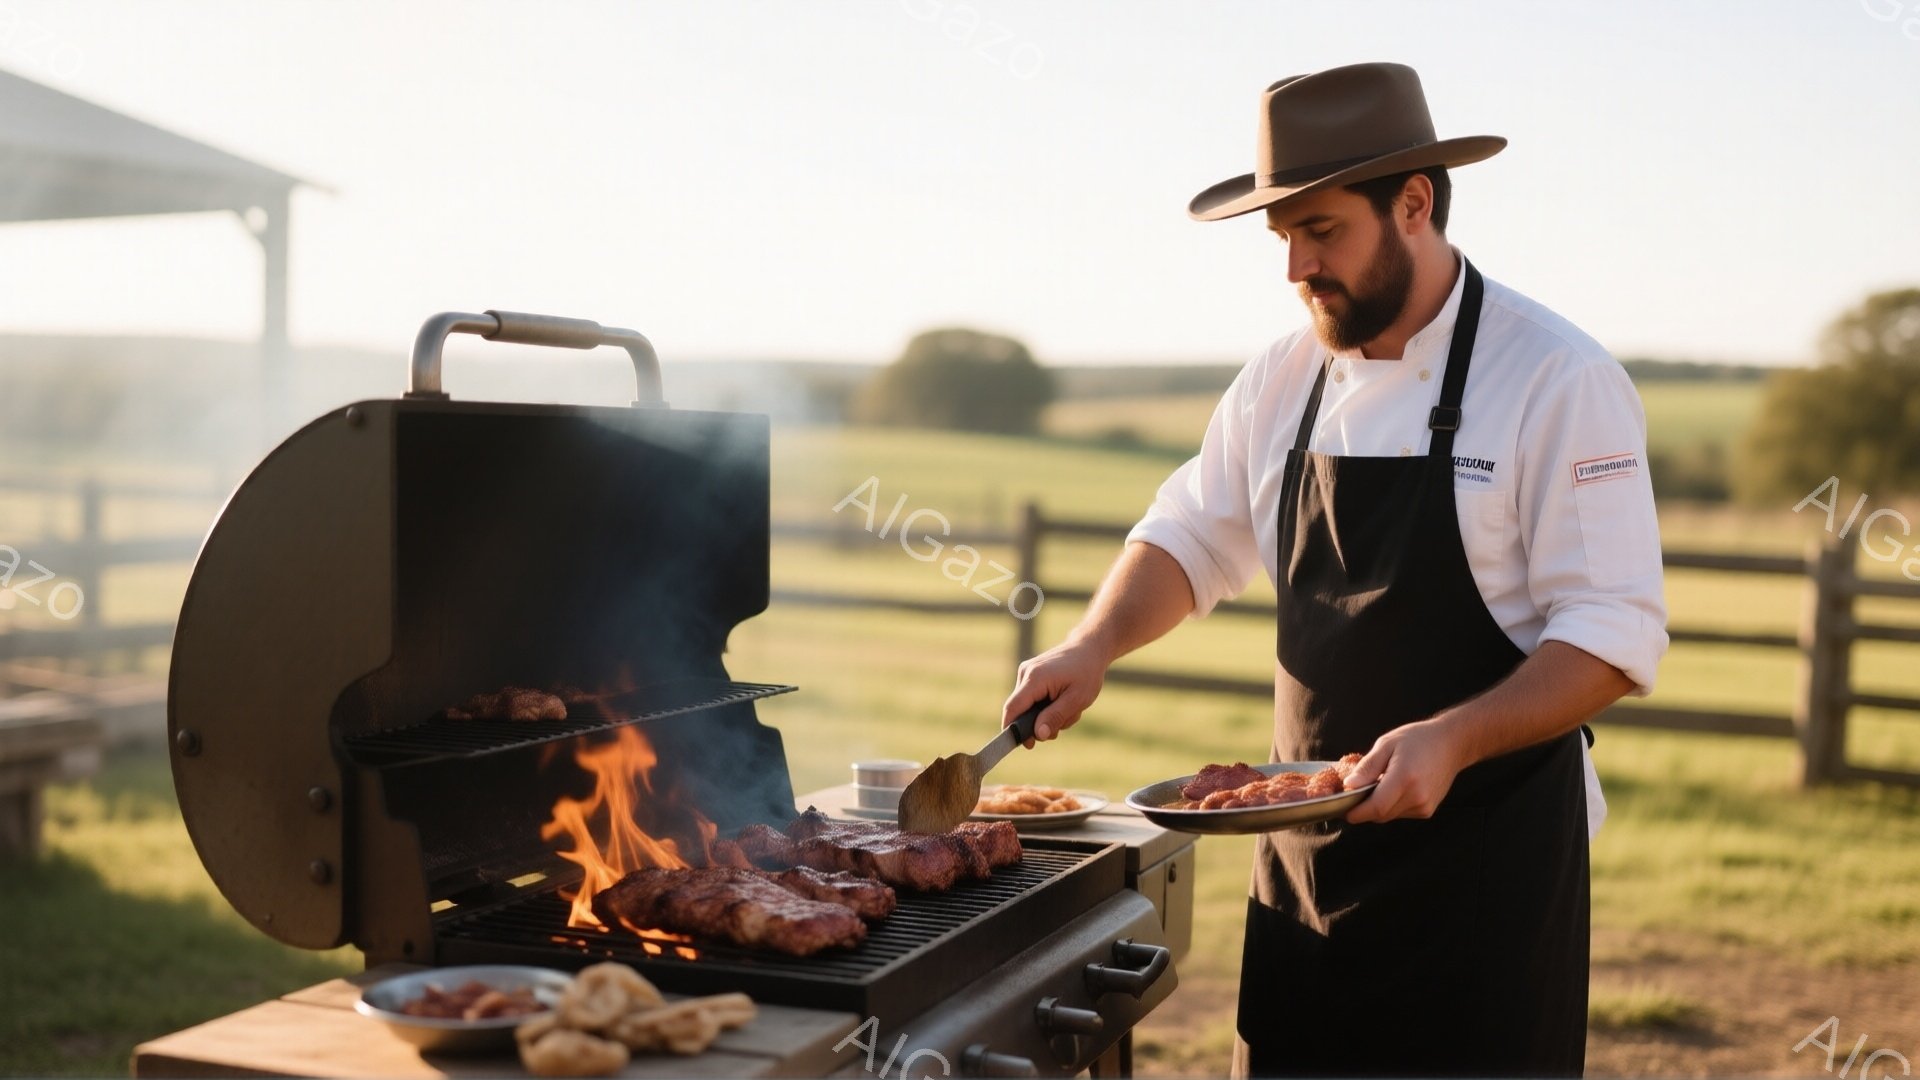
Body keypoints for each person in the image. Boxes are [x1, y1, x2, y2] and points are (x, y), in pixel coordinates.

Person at [1001, 62, 1668, 1078]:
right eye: (1283, 239)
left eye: (1322, 232)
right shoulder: (1283, 377)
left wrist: (1452, 738)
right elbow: (1191, 534)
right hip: (1304, 871)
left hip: (1487, 882)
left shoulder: (1557, 379)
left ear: (1413, 204)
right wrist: (1094, 644)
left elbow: (1612, 637)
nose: (1296, 268)